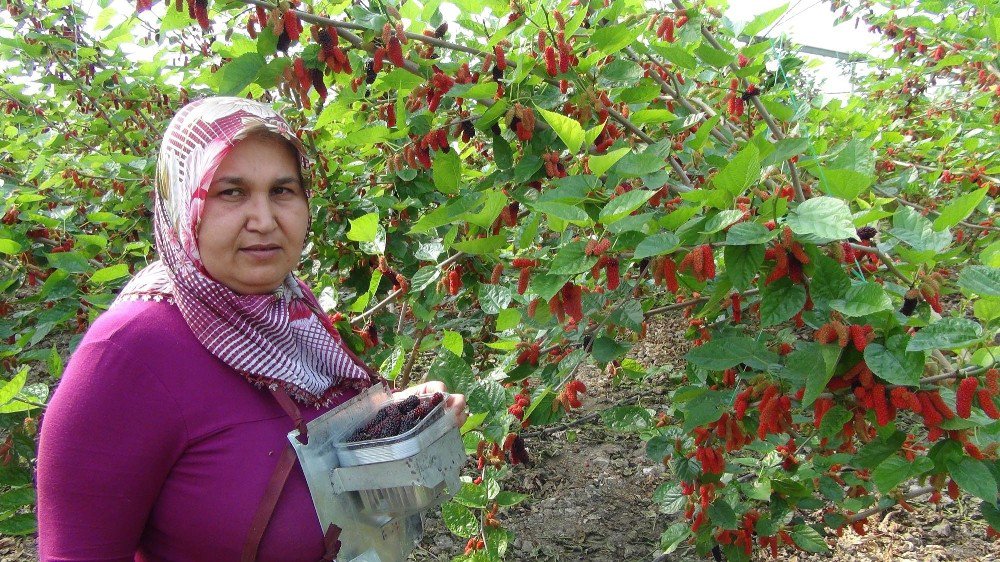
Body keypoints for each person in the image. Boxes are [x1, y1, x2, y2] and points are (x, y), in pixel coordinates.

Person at [36, 97, 466, 562]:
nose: (263, 220)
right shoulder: (126, 354)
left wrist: (396, 419)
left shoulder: (291, 312)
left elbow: (306, 440)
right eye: (231, 192)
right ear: (184, 203)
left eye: (282, 190)